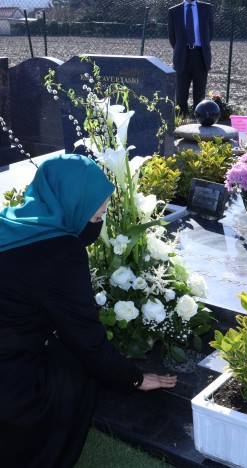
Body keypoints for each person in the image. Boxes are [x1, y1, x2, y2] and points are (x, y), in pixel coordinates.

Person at [0, 154, 177, 468]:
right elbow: (89, 342)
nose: (99, 223)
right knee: (74, 369)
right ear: (72, 205)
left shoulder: (12, 220)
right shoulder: (60, 252)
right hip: (9, 386)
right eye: (96, 218)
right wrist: (134, 379)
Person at [167, 0, 214, 117]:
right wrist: (182, 50)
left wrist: (199, 46)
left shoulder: (206, 8)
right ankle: (181, 125)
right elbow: (172, 38)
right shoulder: (173, 11)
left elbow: (210, 33)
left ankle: (198, 126)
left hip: (200, 56)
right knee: (181, 96)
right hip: (182, 57)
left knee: (199, 97)